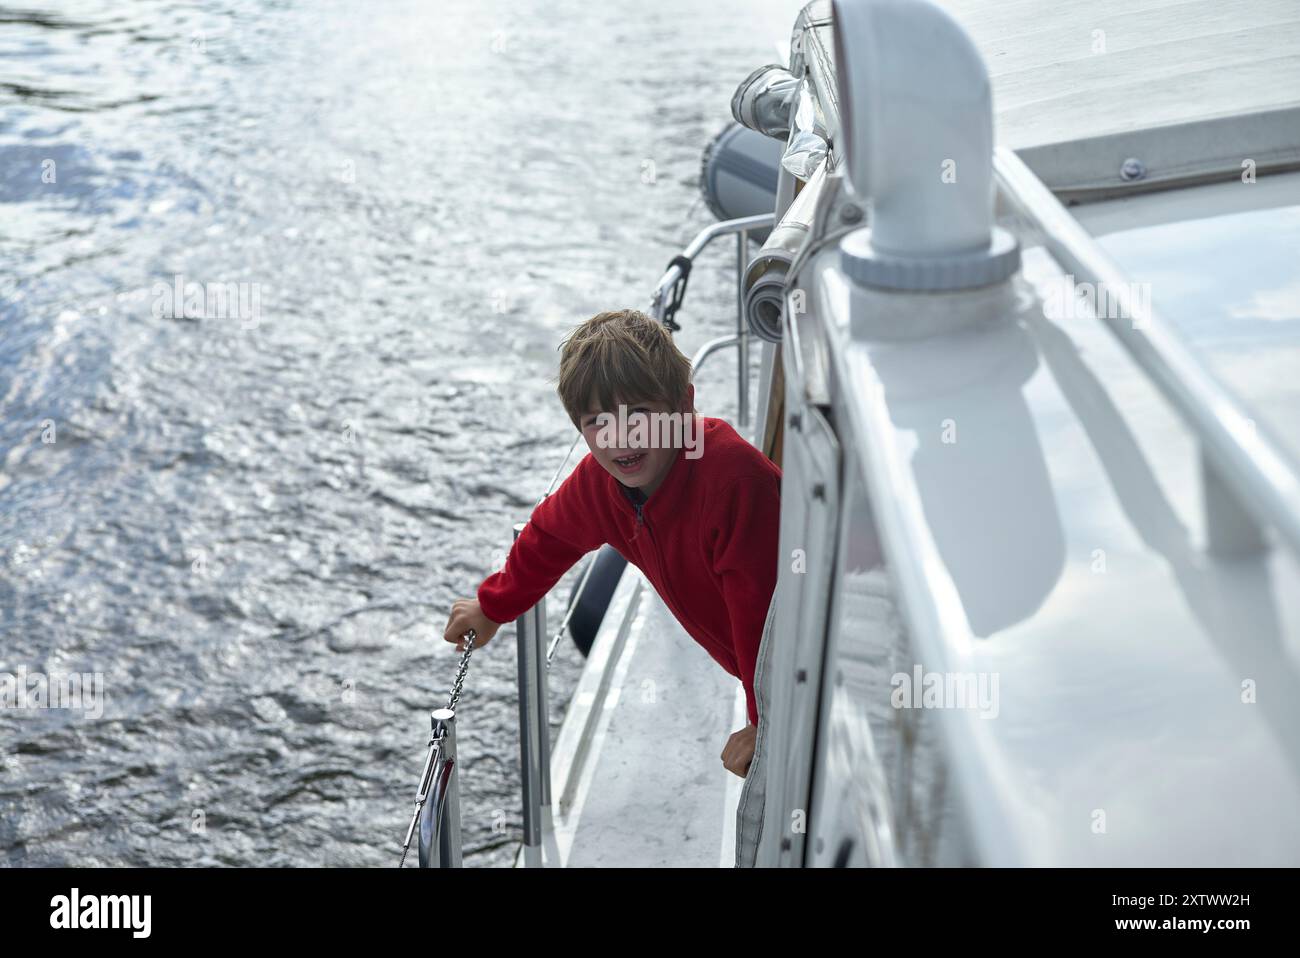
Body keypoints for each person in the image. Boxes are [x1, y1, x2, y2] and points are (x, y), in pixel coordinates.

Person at [442, 308, 781, 778]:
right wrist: (493, 606)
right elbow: (548, 539)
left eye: (638, 413)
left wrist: (770, 724)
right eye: (596, 420)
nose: (619, 437)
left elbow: (765, 619)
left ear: (684, 405)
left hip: (831, 655)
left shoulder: (732, 483)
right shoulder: (599, 484)